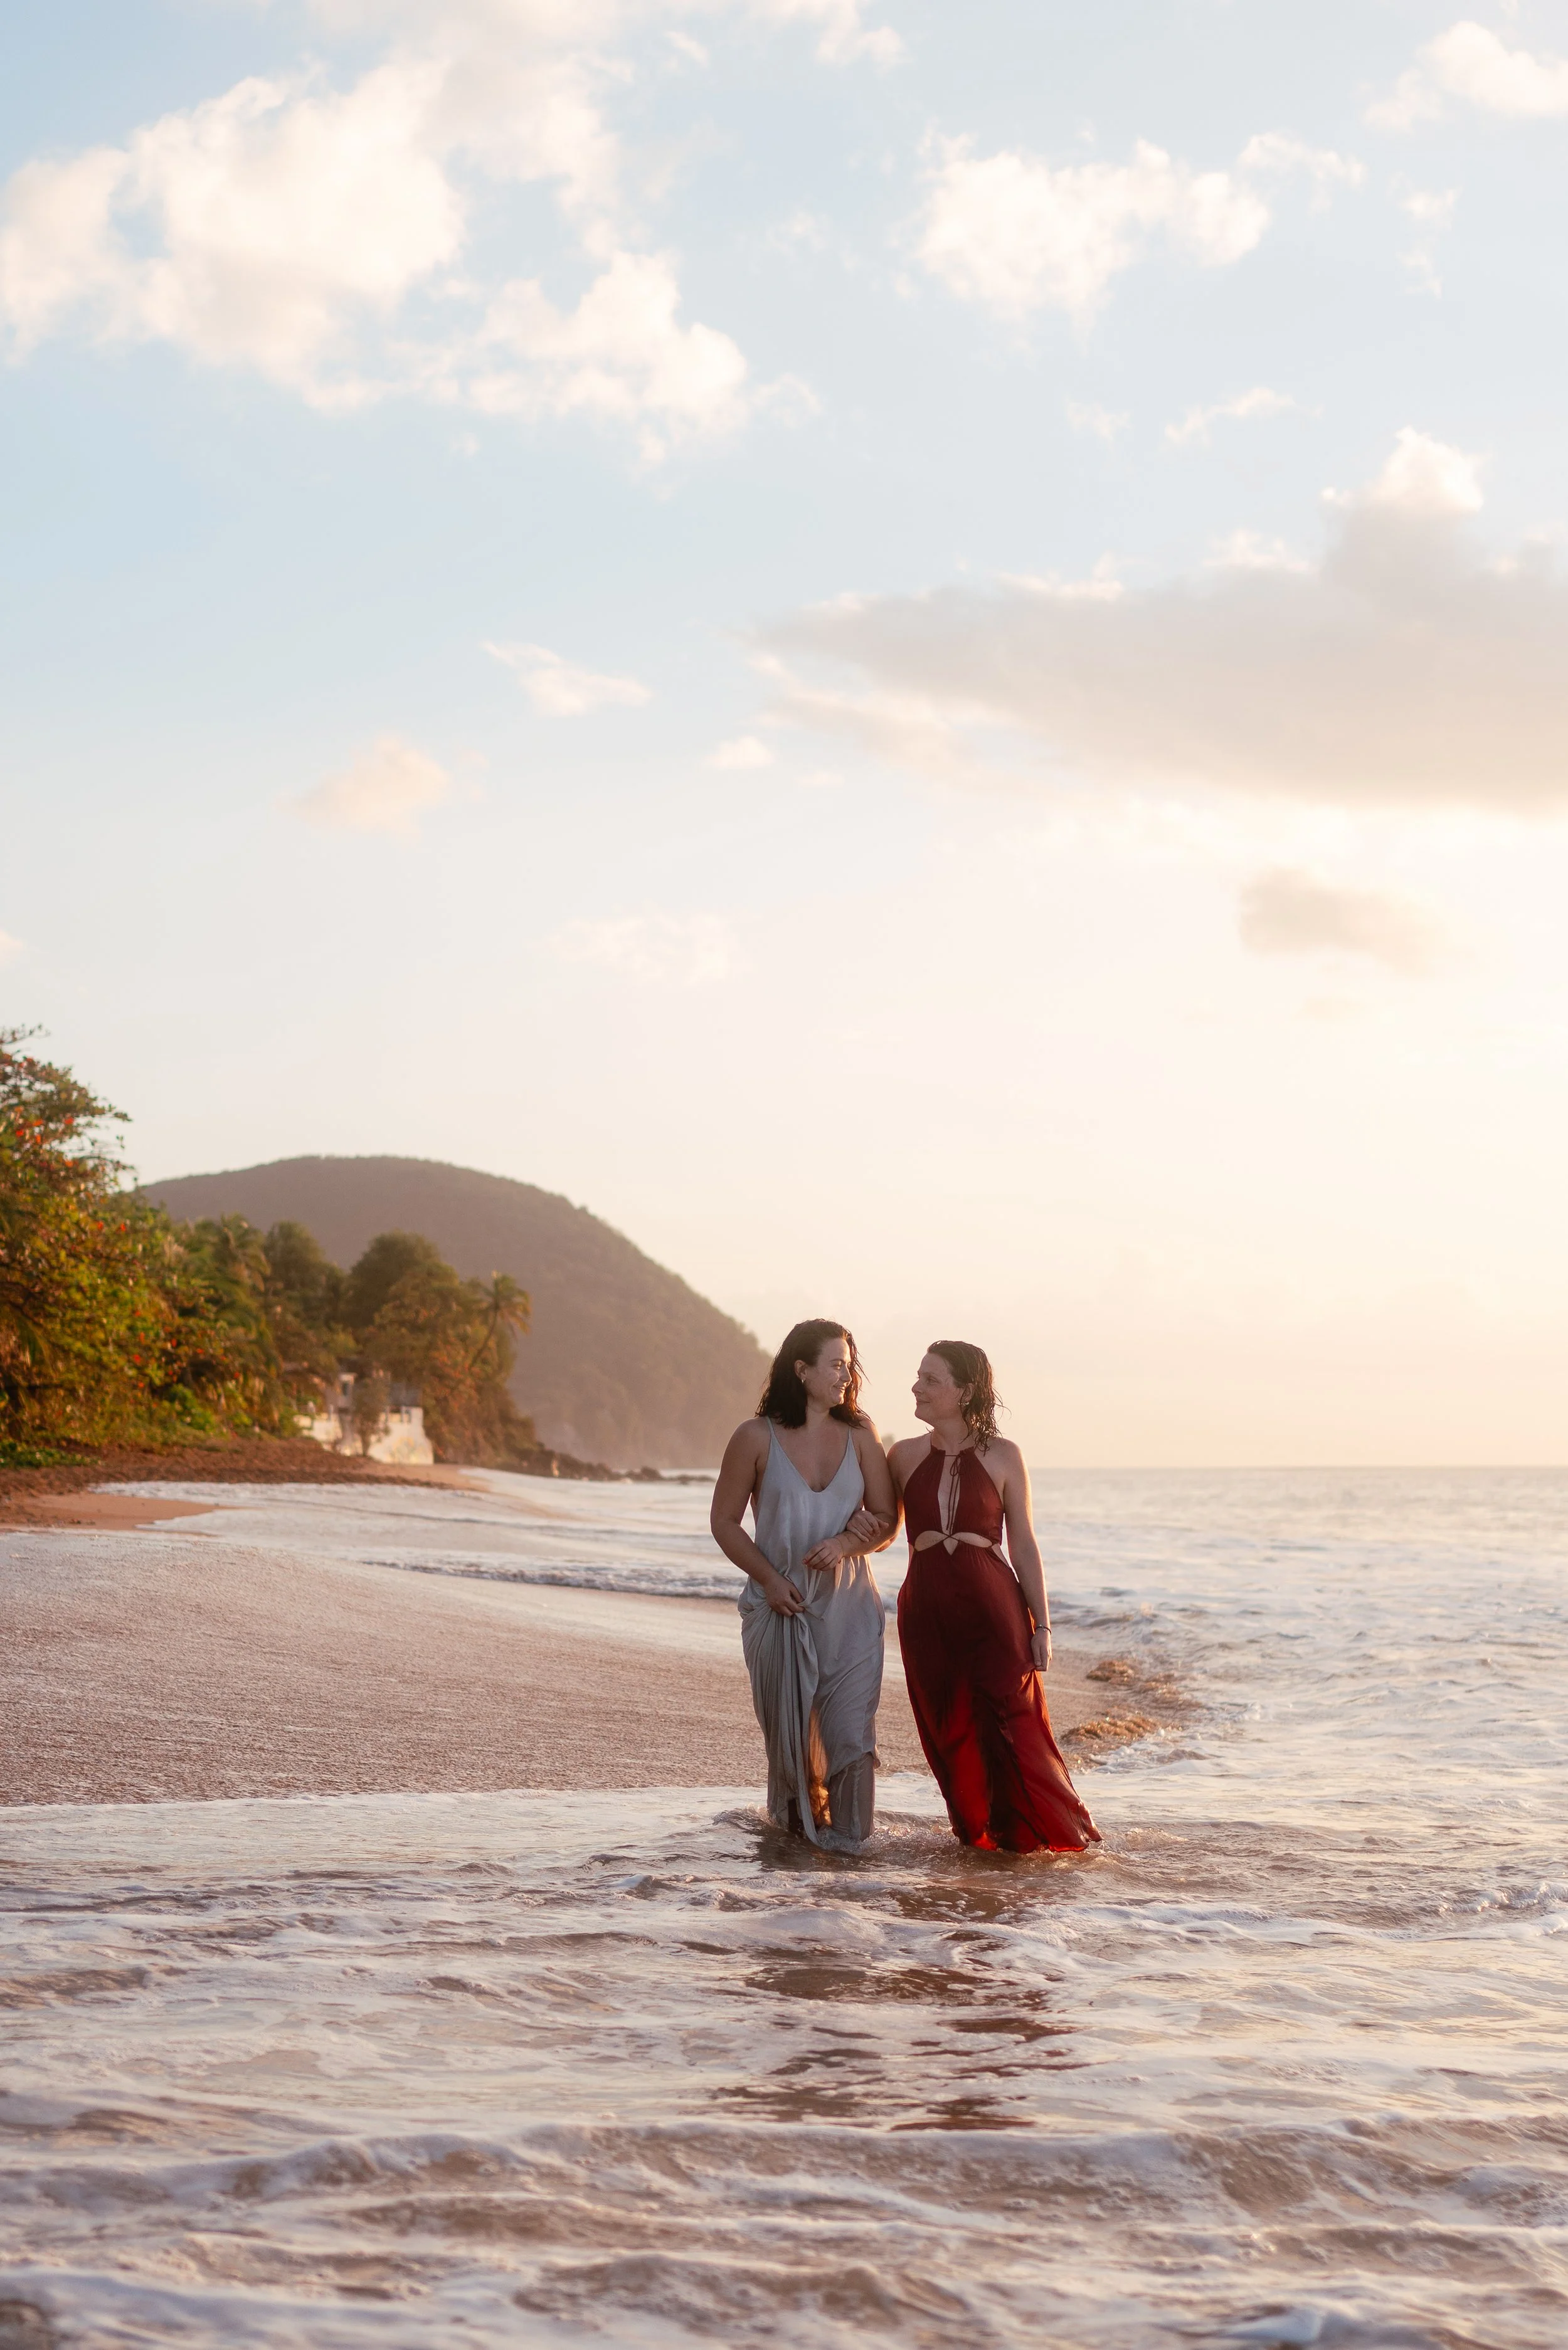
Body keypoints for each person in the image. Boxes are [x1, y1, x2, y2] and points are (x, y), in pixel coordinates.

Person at [887, 1340, 1100, 1855]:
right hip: (927, 1614)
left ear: (965, 1390)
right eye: (918, 1376)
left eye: (931, 1379)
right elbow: (877, 1523)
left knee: (1015, 1726)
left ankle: (1050, 1844)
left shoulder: (1005, 1456)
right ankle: (980, 1842)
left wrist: (1043, 1625)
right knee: (950, 1729)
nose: (917, 1386)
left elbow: (1024, 1543)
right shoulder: (901, 1455)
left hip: (995, 1611)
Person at [711, 1319, 896, 1849]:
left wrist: (846, 1544)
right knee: (792, 1748)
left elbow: (887, 1519)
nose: (846, 1373)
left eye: (848, 1363)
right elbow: (724, 1521)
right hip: (781, 1609)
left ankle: (852, 1857)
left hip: (850, 1611)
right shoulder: (754, 1437)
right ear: (802, 1369)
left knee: (851, 1738)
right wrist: (768, 1578)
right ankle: (801, 1877)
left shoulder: (861, 1432)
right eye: (835, 1363)